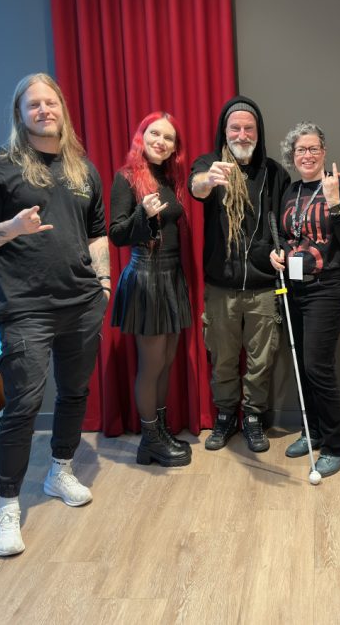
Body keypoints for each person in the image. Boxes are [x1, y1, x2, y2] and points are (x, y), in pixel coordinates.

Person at [0, 73, 109, 555]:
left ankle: (60, 470)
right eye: (34, 105)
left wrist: (104, 283)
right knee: (23, 404)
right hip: (26, 307)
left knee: (75, 392)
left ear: (62, 109)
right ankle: (7, 506)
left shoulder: (83, 169)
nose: (44, 110)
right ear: (20, 114)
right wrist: (11, 226)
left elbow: (97, 233)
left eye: (51, 103)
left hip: (82, 303)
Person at [189, 96, 290, 452]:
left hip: (264, 285)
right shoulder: (209, 165)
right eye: (236, 128)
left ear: (258, 133)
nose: (242, 134)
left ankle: (253, 417)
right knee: (223, 358)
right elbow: (196, 188)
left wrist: (283, 250)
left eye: (249, 128)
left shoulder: (275, 172)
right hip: (222, 285)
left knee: (261, 360)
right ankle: (224, 416)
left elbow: (289, 220)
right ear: (225, 131)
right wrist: (208, 180)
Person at [268, 122, 340, 478]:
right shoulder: (290, 191)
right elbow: (287, 238)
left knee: (317, 366)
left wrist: (336, 202)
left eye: (312, 149)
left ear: (324, 151)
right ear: (292, 157)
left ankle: (337, 446)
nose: (306, 155)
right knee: (300, 365)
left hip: (328, 286)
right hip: (294, 285)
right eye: (299, 151)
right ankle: (314, 431)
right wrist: (276, 254)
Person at [110, 112, 193, 467]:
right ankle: (150, 439)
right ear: (141, 137)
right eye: (154, 133)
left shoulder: (169, 177)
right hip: (146, 277)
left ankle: (159, 432)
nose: (161, 141)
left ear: (175, 147)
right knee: (152, 364)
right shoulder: (126, 178)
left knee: (167, 361)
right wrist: (142, 214)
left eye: (168, 137)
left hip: (171, 276)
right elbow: (116, 233)